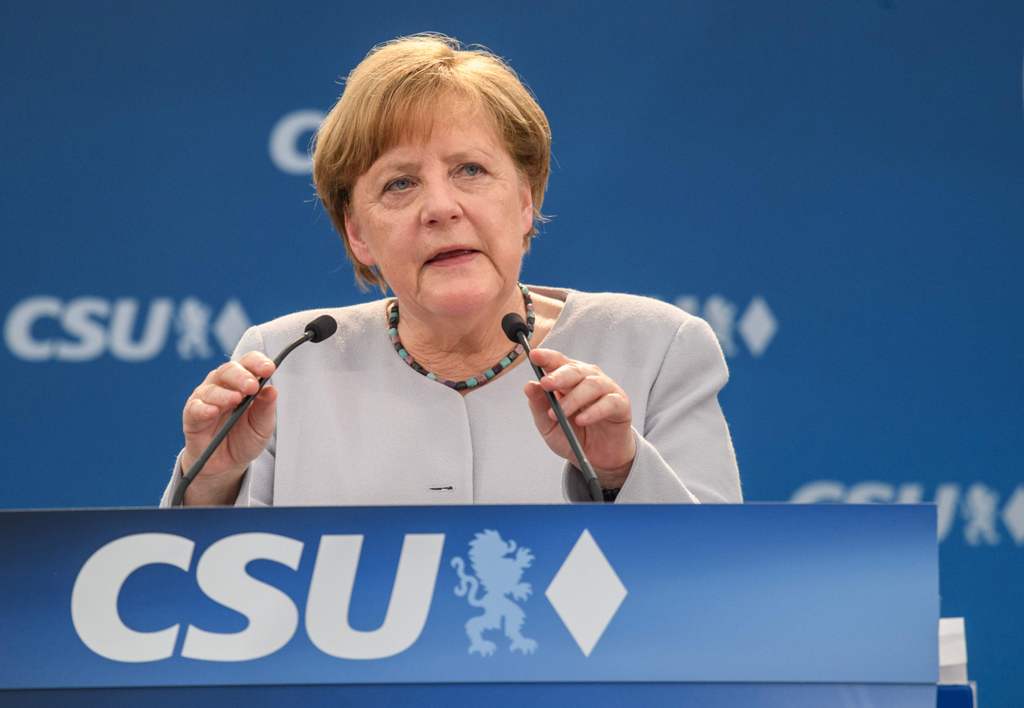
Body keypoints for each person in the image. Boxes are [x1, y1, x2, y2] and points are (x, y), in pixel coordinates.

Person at [161, 33, 741, 507]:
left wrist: (621, 472)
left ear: (524, 202)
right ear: (357, 233)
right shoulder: (283, 363)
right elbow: (195, 613)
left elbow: (719, 591)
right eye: (400, 183)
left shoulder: (656, 347)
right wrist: (211, 480)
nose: (441, 207)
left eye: (470, 170)